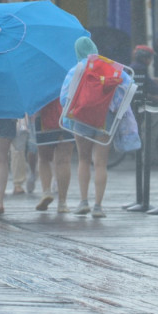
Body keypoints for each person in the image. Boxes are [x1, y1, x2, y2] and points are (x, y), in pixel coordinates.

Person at [62, 36, 130, 218]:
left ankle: (83, 202)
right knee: (100, 163)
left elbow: (64, 98)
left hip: (81, 118)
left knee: (83, 160)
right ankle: (98, 206)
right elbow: (127, 87)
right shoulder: (110, 66)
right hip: (104, 119)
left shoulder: (76, 69)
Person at [34, 99, 74, 213]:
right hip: (68, 113)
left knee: (44, 159)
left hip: (44, 114)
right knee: (64, 161)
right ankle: (62, 203)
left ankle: (46, 191)